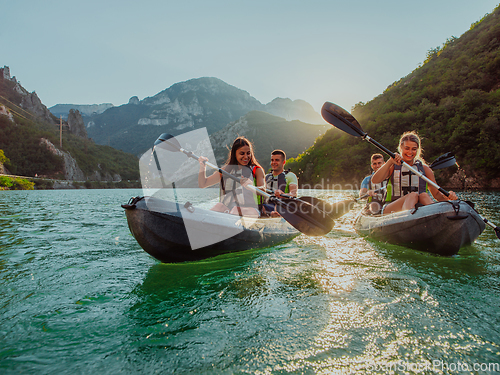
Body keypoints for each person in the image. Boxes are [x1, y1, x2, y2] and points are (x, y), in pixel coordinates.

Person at [371, 131, 458, 215]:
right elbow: (375, 180)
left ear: (418, 150)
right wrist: (390, 161)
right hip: (391, 208)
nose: (410, 152)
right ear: (401, 148)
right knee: (412, 195)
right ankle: (407, 219)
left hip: (417, 208)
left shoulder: (425, 169)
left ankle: (436, 216)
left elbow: (436, 194)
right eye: (407, 148)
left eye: (414, 149)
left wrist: (448, 198)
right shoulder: (393, 166)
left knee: (423, 195)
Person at [198, 136, 265, 218]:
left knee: (235, 210)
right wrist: (202, 167)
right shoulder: (225, 171)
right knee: (219, 206)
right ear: (234, 154)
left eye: (248, 153)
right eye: (242, 153)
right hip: (229, 209)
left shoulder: (257, 170)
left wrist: (251, 186)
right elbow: (203, 184)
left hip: (252, 210)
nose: (246, 157)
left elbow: (263, 191)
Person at [262, 149, 298, 217]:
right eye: (272, 160)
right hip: (266, 207)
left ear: (283, 162)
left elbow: (293, 194)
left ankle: (274, 214)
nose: (274, 162)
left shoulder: (290, 176)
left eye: (277, 160)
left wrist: (283, 194)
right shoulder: (266, 177)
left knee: (276, 208)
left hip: (282, 207)